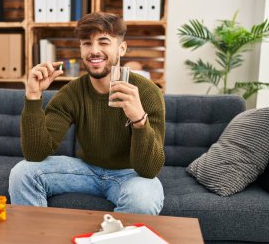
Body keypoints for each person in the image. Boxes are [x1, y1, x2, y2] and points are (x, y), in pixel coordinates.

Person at [9, 12, 165, 215]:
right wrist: (33, 96)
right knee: (22, 173)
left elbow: (149, 170)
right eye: (86, 43)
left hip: (131, 175)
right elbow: (35, 154)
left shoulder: (148, 92)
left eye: (103, 42)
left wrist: (138, 119)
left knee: (143, 199)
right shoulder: (72, 92)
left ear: (122, 48)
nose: (94, 51)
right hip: (86, 170)